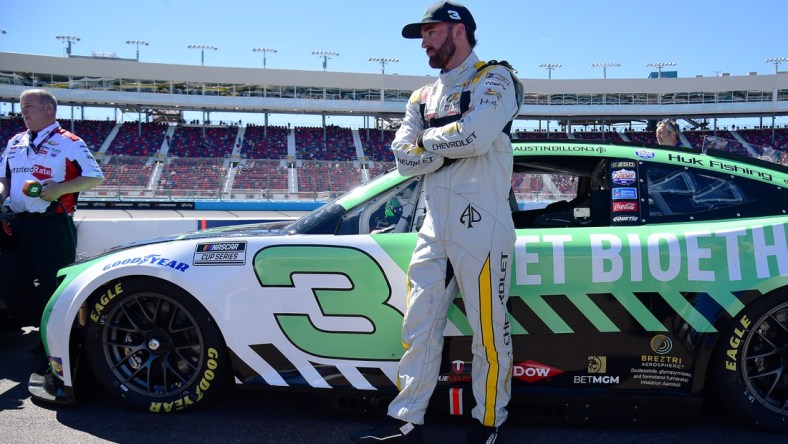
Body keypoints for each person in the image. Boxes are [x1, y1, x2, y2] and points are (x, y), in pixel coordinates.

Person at [351, 2, 522, 443]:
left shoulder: (496, 78)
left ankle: (489, 422)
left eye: (430, 32)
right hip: (434, 225)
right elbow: (402, 159)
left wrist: (428, 143)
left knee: (489, 329)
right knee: (418, 326)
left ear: (458, 31)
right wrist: (448, 140)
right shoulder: (421, 95)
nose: (424, 42)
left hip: (482, 223)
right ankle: (405, 419)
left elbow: (478, 134)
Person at [0, 89, 104, 334]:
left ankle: (51, 343)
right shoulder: (15, 141)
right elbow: (4, 177)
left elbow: (94, 177)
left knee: (54, 286)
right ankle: (41, 327)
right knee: (8, 278)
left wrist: (60, 189)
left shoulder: (70, 141)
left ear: (49, 109)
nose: (23, 111)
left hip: (53, 224)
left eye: (29, 106)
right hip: (17, 224)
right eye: (21, 106)